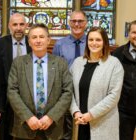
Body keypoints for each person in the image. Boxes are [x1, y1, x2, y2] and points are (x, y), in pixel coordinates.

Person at [7, 23, 73, 140]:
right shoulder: (19, 63)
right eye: (34, 37)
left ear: (48, 40)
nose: (38, 41)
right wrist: (28, 117)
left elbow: (67, 92)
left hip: (53, 127)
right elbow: (12, 92)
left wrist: (51, 117)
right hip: (25, 128)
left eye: (42, 37)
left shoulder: (60, 63)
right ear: (29, 41)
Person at [70, 27, 124, 140]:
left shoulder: (114, 64)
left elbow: (113, 96)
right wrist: (75, 112)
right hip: (80, 122)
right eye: (91, 40)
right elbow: (69, 92)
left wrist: (90, 115)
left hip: (103, 122)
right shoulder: (77, 63)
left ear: (104, 42)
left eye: (98, 40)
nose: (94, 43)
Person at [0, 12, 32, 140]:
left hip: (28, 97)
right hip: (5, 97)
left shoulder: (32, 43)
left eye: (22, 24)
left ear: (26, 26)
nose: (18, 28)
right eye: (15, 24)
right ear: (9, 26)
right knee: (5, 132)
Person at [52, 10, 87, 140]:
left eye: (80, 21)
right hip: (66, 90)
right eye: (73, 21)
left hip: (86, 89)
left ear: (86, 23)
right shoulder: (60, 44)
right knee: (66, 130)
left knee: (84, 126)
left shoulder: (92, 42)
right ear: (69, 22)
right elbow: (54, 70)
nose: (77, 24)